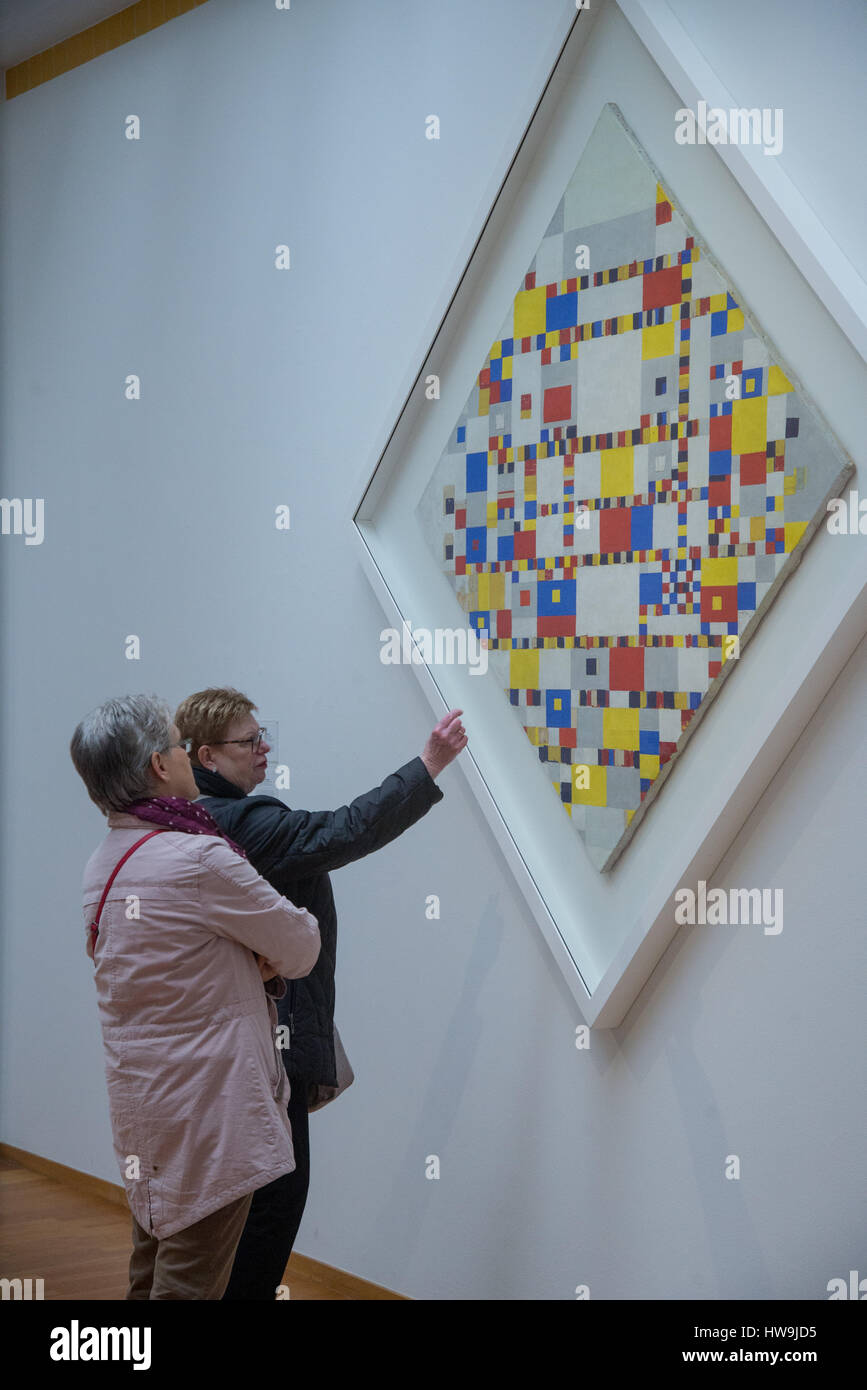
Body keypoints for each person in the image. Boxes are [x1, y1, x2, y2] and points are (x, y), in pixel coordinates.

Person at [174, 686, 467, 1299]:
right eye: (249, 740)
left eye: (262, 733)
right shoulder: (246, 824)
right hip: (265, 1050)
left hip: (228, 1046)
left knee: (246, 1209)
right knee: (274, 1204)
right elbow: (343, 831)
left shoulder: (193, 822)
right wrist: (430, 765)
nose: (264, 747)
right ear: (207, 756)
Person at [71, 694, 320, 1300]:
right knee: (190, 1280)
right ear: (161, 764)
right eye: (180, 747)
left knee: (151, 1261)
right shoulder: (198, 857)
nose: (187, 757)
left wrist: (240, 957)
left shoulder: (103, 864)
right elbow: (300, 943)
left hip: (145, 1102)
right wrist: (256, 958)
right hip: (212, 1106)